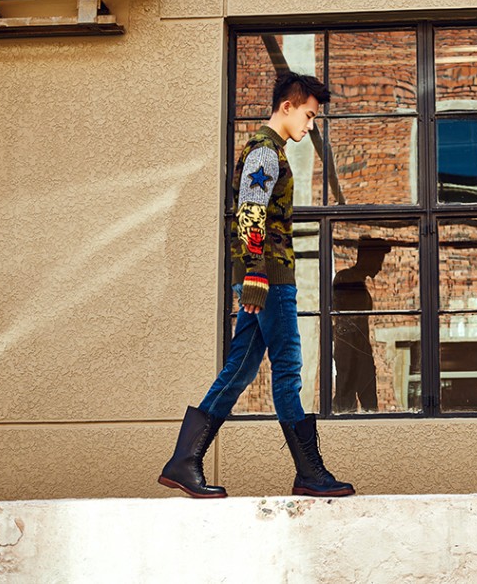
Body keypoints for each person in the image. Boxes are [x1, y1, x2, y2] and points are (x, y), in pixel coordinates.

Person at [158, 72, 354, 498]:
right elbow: (250, 213)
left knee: (241, 368)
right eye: (308, 115)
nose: (310, 125)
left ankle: (183, 462)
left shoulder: (269, 151)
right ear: (287, 106)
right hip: (270, 277)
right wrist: (256, 274)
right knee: (287, 367)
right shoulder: (264, 152)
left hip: (264, 275)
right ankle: (310, 473)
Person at [332, 237, 391, 412]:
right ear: (367, 258)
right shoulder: (347, 279)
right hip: (351, 346)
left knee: (366, 398)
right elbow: (345, 321)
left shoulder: (354, 280)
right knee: (348, 397)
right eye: (378, 260)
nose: (380, 267)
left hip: (359, 346)